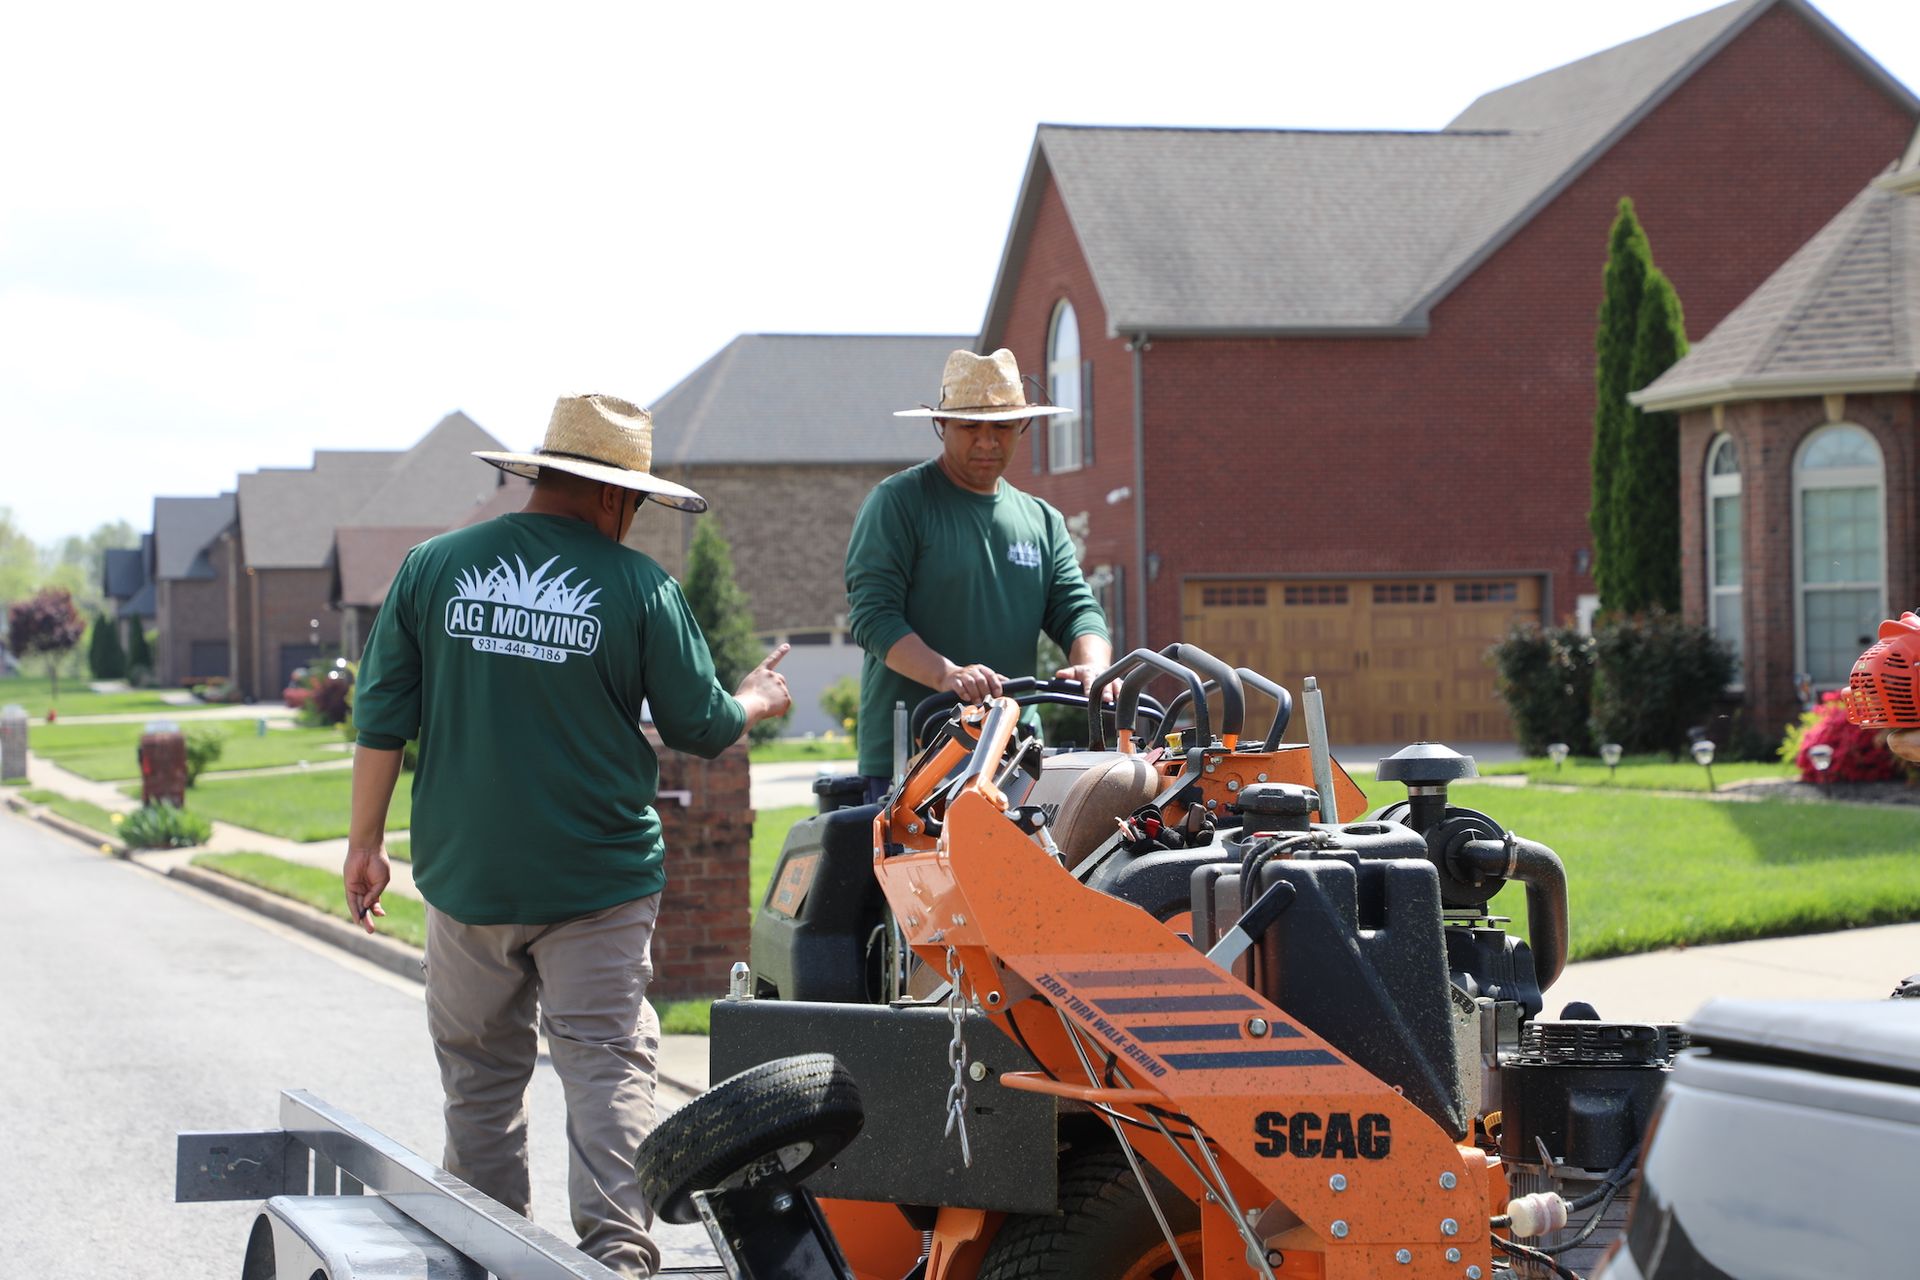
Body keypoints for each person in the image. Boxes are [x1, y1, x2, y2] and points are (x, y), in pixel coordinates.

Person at [343, 393, 791, 1278]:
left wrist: (365, 845)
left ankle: (488, 1248)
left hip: (466, 876)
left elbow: (381, 716)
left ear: (540, 474)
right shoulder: (639, 588)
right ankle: (617, 1261)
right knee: (606, 1068)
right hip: (598, 883)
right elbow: (701, 725)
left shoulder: (431, 568)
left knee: (478, 1074)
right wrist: (758, 699)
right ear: (615, 496)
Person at [846, 348, 1113, 801]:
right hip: (916, 753)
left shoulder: (1041, 519)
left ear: (1022, 428)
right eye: (971, 427)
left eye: (1002, 428)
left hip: (1016, 751)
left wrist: (1094, 669)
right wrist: (948, 675)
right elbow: (873, 618)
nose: (987, 442)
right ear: (941, 426)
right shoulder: (899, 503)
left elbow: (1076, 608)